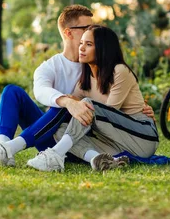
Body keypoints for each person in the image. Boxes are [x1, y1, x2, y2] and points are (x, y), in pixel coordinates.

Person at [0, 5, 155, 166]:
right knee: (12, 92)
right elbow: (40, 92)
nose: (94, 30)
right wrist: (66, 101)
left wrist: (138, 110)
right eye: (87, 27)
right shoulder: (51, 67)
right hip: (53, 132)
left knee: (72, 106)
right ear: (69, 32)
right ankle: (2, 148)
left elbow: (111, 110)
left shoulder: (100, 66)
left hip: (87, 135)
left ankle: (10, 150)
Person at [27, 25, 159, 172]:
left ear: (104, 48)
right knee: (60, 129)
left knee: (87, 105)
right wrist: (69, 104)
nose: (81, 48)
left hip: (142, 138)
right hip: (115, 141)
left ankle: (55, 155)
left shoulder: (119, 71)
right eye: (81, 43)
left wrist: (80, 104)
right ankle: (100, 159)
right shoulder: (85, 81)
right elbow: (72, 110)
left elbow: (108, 113)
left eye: (88, 44)